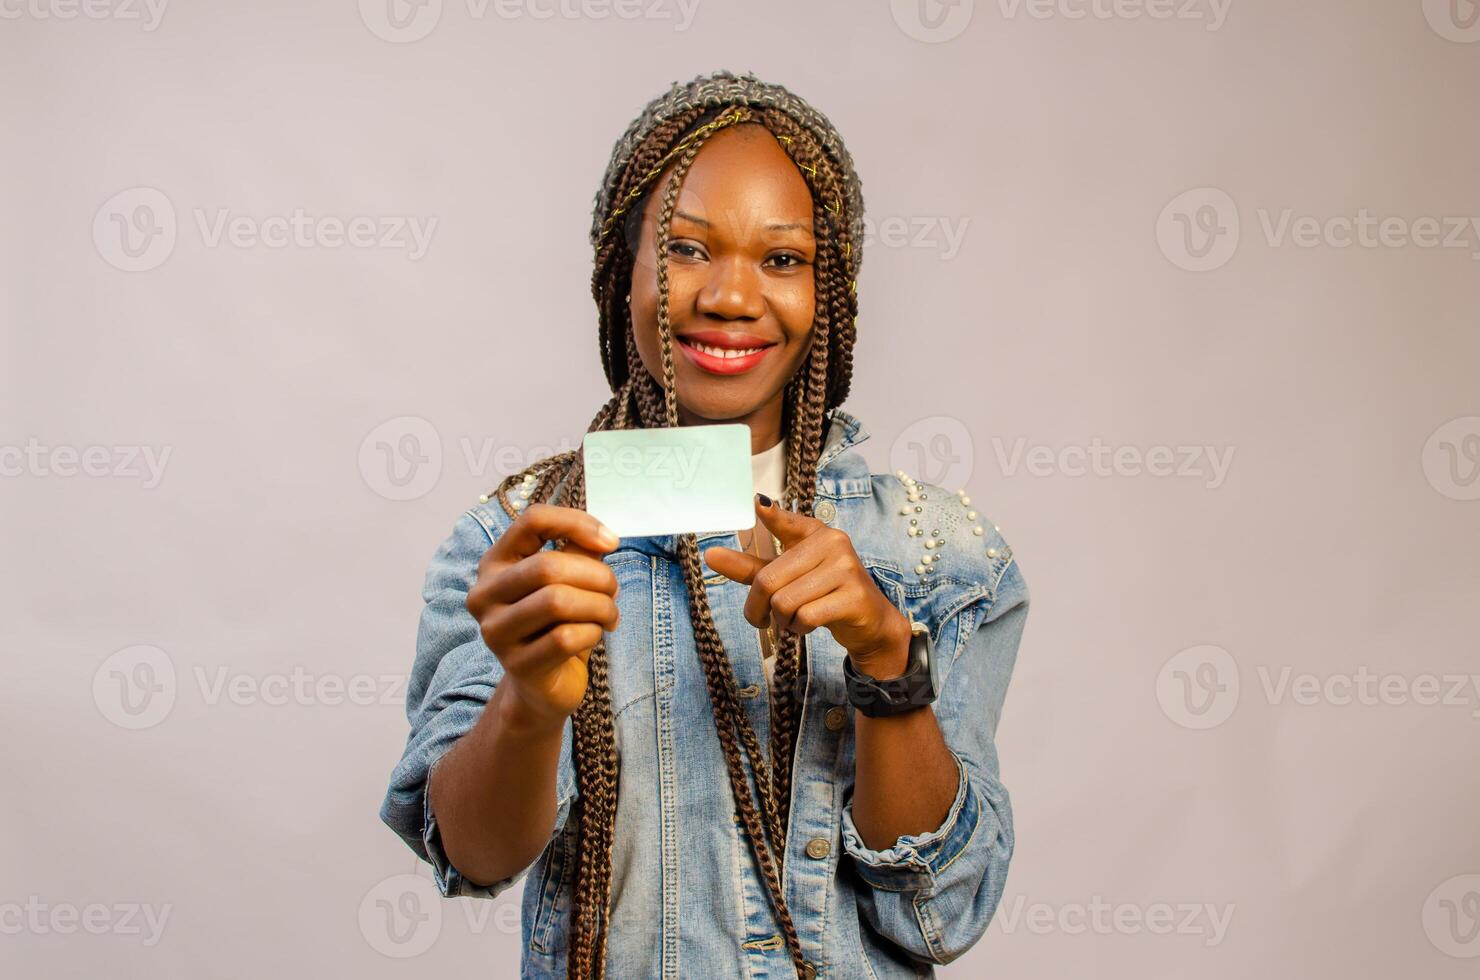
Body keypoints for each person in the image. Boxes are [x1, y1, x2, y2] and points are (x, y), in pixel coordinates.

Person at [379, 69, 1030, 979]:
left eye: (782, 258)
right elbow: (472, 854)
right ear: (623, 270)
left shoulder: (942, 552)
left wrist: (886, 658)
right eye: (687, 249)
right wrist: (528, 704)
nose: (731, 296)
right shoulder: (522, 542)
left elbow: (943, 914)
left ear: (829, 290)